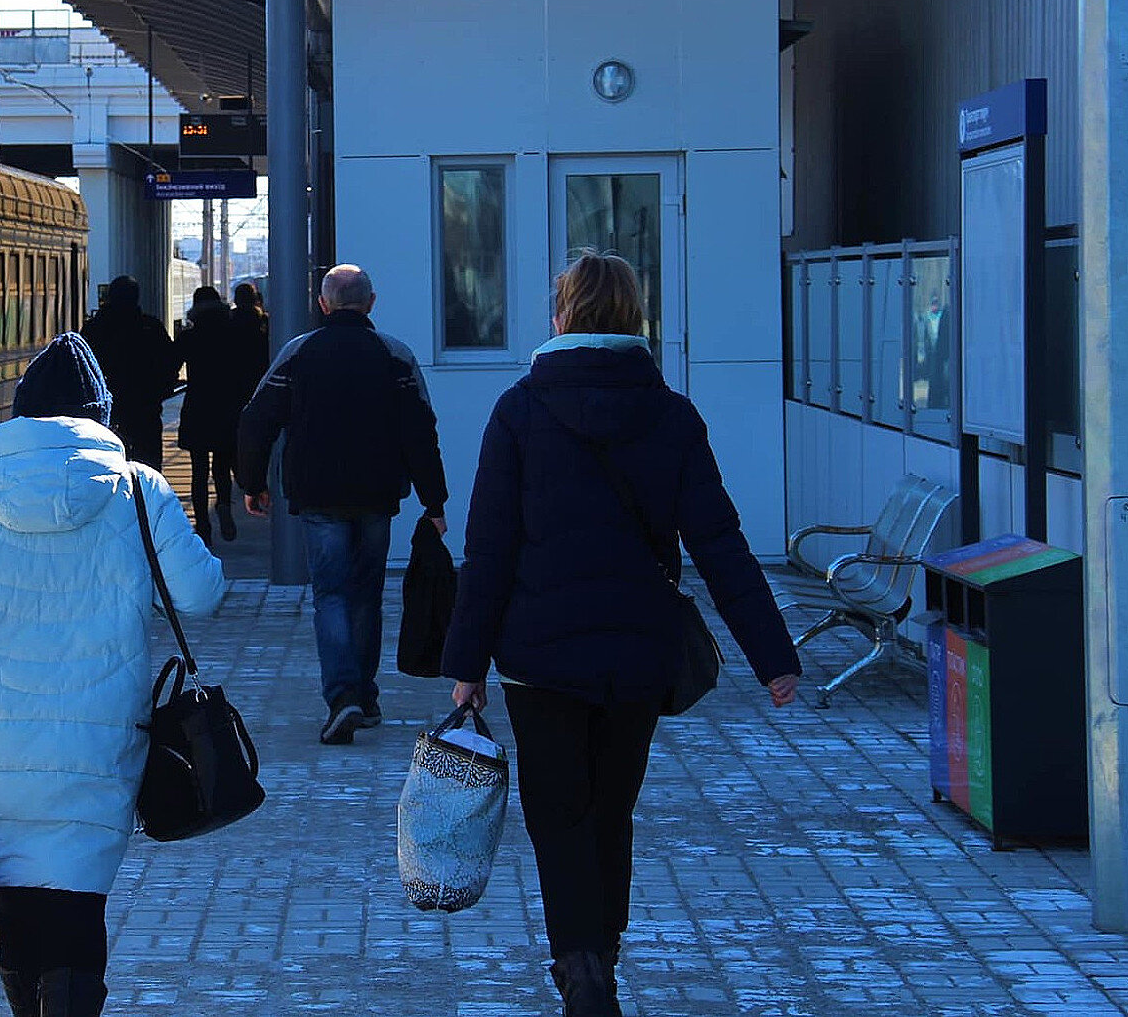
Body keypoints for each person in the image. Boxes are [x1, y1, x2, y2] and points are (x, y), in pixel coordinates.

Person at [439, 251, 802, 1017]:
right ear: (634, 320)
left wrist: (465, 664)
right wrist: (773, 657)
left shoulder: (519, 411)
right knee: (610, 812)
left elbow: (489, 548)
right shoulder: (669, 416)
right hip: (637, 655)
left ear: (562, 316)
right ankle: (599, 953)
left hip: (537, 660)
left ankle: (580, 969)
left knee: (557, 816)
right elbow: (720, 543)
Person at [0, 333, 225, 1017]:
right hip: (98, 739)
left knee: (17, 902)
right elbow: (201, 594)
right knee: (77, 900)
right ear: (100, 415)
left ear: (20, 414)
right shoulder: (137, 488)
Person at [237, 264, 448, 744]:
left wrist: (253, 482)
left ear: (323, 303)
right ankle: (365, 696)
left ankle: (342, 697)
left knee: (330, 593)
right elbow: (421, 431)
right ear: (371, 303)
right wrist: (433, 501)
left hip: (318, 494)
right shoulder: (395, 355)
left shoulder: (299, 353)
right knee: (367, 594)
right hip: (376, 494)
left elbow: (255, 420)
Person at [175, 285, 269, 543]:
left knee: (198, 469)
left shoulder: (189, 337)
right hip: (227, 407)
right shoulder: (234, 333)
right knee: (221, 465)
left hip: (198, 407)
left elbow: (171, 367)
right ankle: (224, 506)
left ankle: (203, 525)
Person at [80, 275, 179, 468]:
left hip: (107, 410)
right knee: (148, 466)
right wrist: (161, 391)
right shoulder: (151, 327)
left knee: (107, 464)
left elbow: (83, 367)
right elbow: (170, 362)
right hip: (145, 409)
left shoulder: (94, 329)